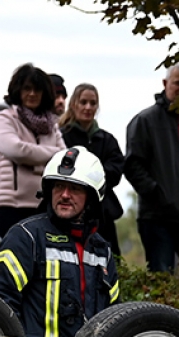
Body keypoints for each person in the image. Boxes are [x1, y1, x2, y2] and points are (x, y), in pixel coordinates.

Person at [0, 147, 119, 337]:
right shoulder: (26, 237)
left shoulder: (102, 251)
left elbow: (115, 318)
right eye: (58, 186)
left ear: (91, 196)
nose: (64, 195)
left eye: (74, 188)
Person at [124, 63, 179, 273]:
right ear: (165, 84)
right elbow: (133, 164)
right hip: (157, 217)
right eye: (178, 83)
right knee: (162, 275)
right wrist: (156, 193)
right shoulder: (145, 121)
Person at [0, 63, 66, 236]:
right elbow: (17, 150)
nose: (32, 94)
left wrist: (35, 159)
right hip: (10, 206)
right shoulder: (5, 118)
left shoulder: (51, 125)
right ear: (18, 90)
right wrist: (49, 155)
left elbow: (65, 157)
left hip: (43, 206)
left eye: (37, 89)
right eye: (27, 88)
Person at [59, 83, 125, 258]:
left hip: (103, 213)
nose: (88, 107)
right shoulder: (61, 136)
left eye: (93, 103)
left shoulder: (107, 140)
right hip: (69, 211)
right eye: (83, 102)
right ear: (74, 104)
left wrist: (87, 173)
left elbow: (116, 171)